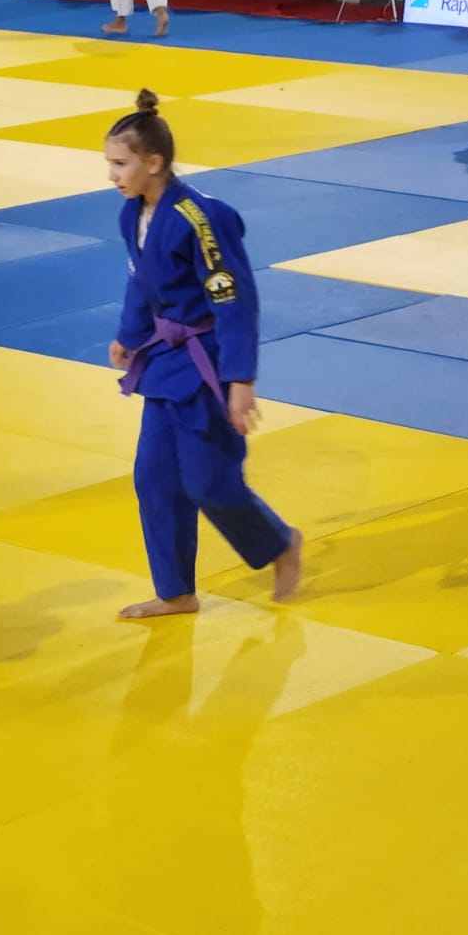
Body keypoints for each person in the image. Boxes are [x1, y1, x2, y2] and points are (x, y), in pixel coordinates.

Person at [106, 90, 302, 619]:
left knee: (209, 482)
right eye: (110, 164)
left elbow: (235, 300)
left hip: (206, 363)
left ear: (154, 163)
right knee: (154, 478)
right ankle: (176, 592)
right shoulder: (132, 215)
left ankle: (280, 543)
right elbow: (140, 281)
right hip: (165, 362)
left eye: (121, 164)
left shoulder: (201, 219)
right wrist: (130, 334)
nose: (112, 175)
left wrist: (240, 380)